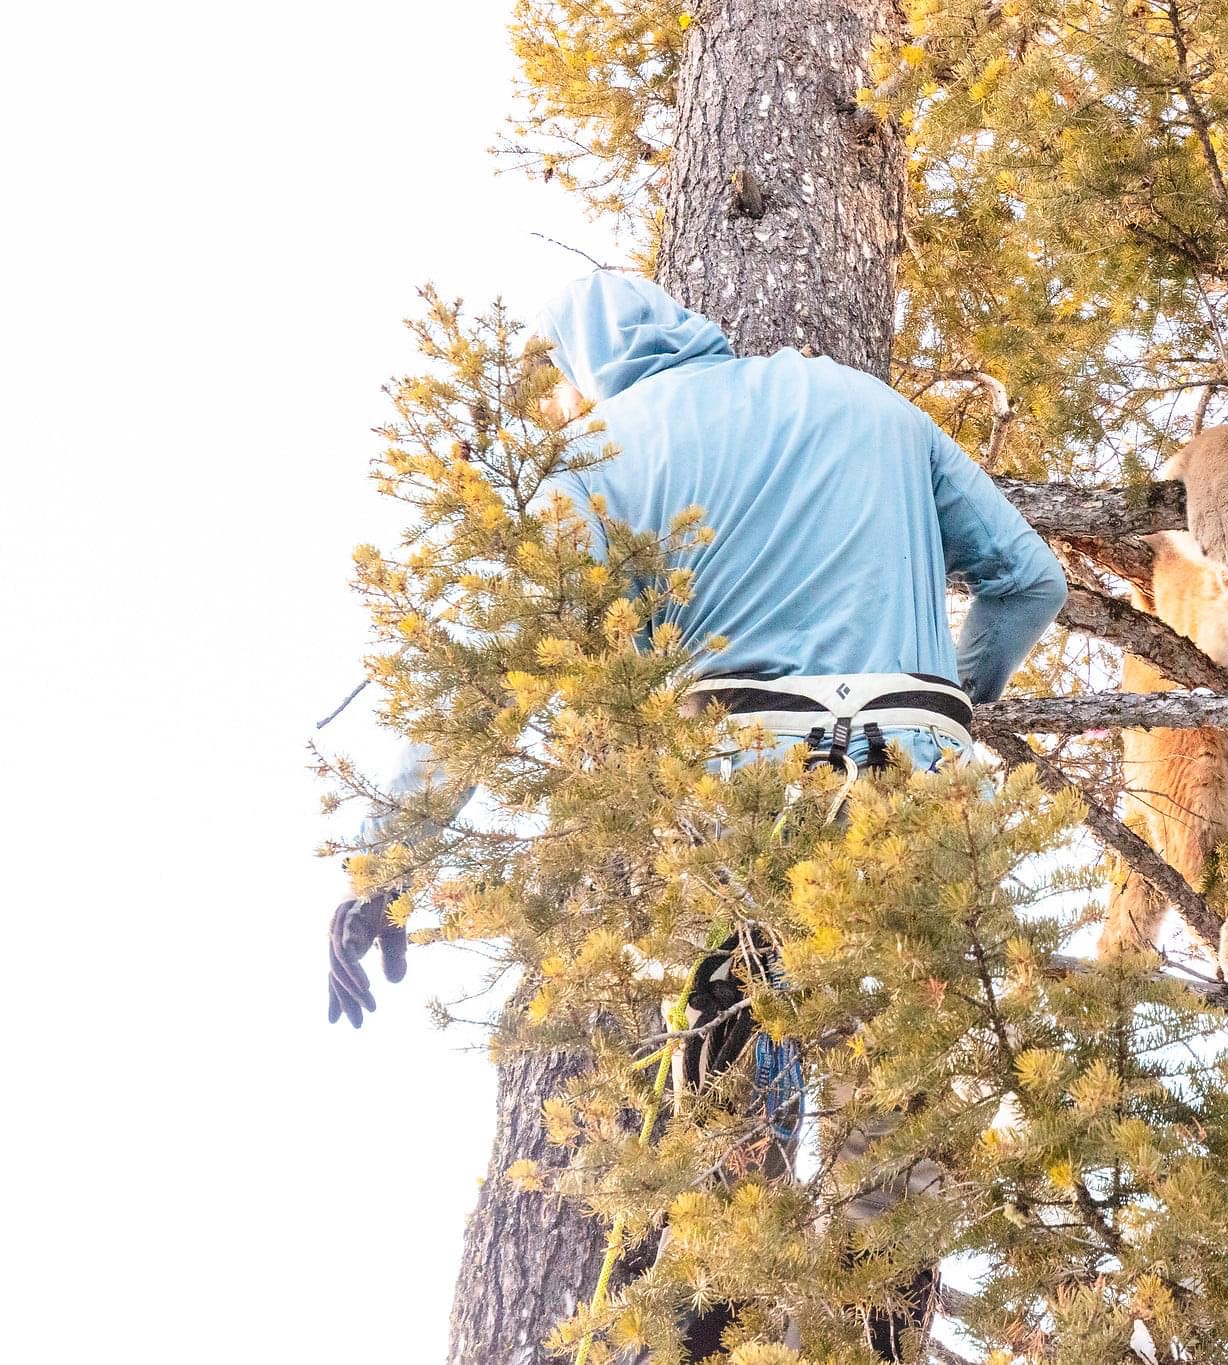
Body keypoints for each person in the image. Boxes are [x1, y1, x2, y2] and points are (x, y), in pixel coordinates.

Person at [325, 271, 1067, 1358]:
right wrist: (949, 704)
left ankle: (723, 1282)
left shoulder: (603, 454)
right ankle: (880, 1307)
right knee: (901, 1086)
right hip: (921, 788)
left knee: (733, 1085)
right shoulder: (868, 403)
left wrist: (382, 867)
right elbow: (1030, 583)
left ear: (590, 369)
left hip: (744, 793)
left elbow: (483, 678)